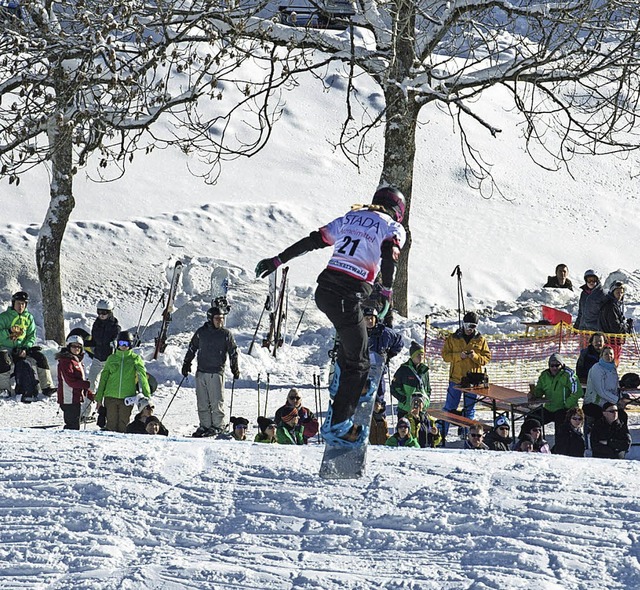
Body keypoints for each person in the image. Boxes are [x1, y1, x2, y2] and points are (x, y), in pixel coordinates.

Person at [255, 186, 407, 444]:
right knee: (360, 363)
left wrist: (277, 260)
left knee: (354, 344)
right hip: (348, 296)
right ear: (399, 211)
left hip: (325, 292)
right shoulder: (393, 227)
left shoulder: (350, 217)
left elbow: (312, 241)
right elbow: (389, 257)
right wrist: (388, 291)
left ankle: (345, 384)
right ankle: (337, 425)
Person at [182, 305, 239, 438]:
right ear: (210, 319)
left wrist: (234, 368)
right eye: (217, 318)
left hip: (216, 372)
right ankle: (205, 425)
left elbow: (233, 352)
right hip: (201, 371)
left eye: (222, 318)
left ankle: (218, 426)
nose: (220, 321)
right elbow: (192, 347)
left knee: (216, 401)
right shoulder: (201, 332)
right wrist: (186, 363)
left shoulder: (225, 334)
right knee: (202, 401)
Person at [440, 311, 491, 438]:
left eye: (473, 326)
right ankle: (441, 435)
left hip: (472, 381)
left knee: (469, 410)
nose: (470, 329)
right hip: (456, 379)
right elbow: (445, 356)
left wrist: (474, 356)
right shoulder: (453, 338)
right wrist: (459, 356)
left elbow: (486, 358)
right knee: (450, 408)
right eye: (468, 325)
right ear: (463, 324)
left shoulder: (480, 340)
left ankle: (468, 435)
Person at [0, 291, 57, 398]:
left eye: (23, 304)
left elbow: (31, 335)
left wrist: (25, 348)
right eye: (18, 303)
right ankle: (4, 389)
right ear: (13, 303)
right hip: (5, 348)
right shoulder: (4, 317)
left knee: (40, 357)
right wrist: (8, 332)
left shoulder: (28, 318)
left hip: (22, 348)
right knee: (3, 359)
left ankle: (47, 387)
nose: (20, 306)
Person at [95, 330, 151, 433]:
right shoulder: (112, 358)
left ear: (130, 344)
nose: (124, 346)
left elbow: (142, 376)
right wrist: (99, 398)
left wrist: (147, 395)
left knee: (123, 424)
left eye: (127, 343)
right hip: (110, 396)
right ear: (117, 344)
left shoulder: (135, 358)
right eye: (121, 343)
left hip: (127, 398)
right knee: (111, 424)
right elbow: (103, 378)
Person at [527, 352, 582, 432]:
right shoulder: (545, 375)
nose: (554, 368)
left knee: (560, 426)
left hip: (565, 409)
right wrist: (533, 394)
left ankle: (560, 444)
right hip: (549, 408)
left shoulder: (568, 374)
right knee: (530, 420)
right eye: (552, 365)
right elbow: (539, 390)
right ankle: (527, 442)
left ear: (562, 365)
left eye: (557, 365)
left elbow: (577, 392)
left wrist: (567, 404)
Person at [364, 307, 403, 402]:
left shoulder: (384, 332)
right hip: (362, 371)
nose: (369, 321)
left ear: (376, 319)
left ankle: (380, 415)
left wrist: (390, 354)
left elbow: (399, 341)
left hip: (378, 371)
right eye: (367, 318)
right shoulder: (358, 332)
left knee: (378, 399)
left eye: (371, 318)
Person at [56, 335, 92, 430]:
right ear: (69, 347)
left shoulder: (77, 361)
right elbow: (71, 381)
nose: (77, 349)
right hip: (68, 398)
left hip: (75, 398)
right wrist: (86, 384)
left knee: (75, 424)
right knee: (72, 426)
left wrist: (88, 392)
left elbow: (80, 380)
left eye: (79, 347)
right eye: (74, 346)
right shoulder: (66, 361)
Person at [390, 341, 431, 419]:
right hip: (405, 410)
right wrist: (405, 400)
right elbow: (394, 388)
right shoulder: (403, 369)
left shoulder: (425, 371)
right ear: (412, 356)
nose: (421, 357)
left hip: (421, 410)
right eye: (418, 354)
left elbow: (428, 389)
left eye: (422, 354)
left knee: (421, 431)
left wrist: (426, 401)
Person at [87, 299, 120, 391]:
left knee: (107, 385)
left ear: (110, 312)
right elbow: (93, 340)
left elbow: (116, 341)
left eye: (104, 312)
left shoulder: (115, 327)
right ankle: (88, 404)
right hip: (97, 358)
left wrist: (114, 344)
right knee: (91, 384)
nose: (101, 315)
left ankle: (105, 404)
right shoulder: (96, 325)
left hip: (109, 360)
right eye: (99, 312)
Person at [583, 346, 619, 422]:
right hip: (595, 402)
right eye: (606, 354)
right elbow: (601, 391)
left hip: (609, 401)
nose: (609, 356)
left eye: (611, 354)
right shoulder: (597, 368)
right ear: (601, 355)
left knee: (621, 415)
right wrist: (616, 400)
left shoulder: (613, 369)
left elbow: (615, 388)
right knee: (604, 418)